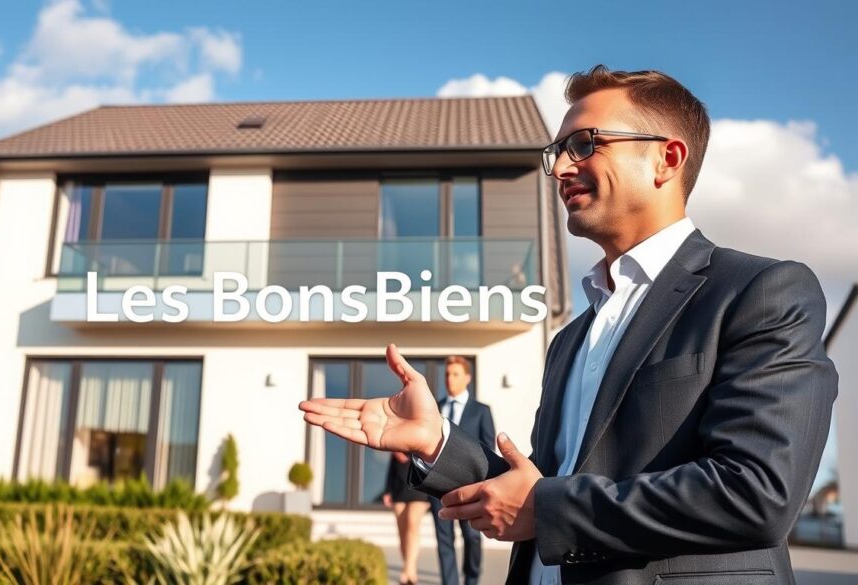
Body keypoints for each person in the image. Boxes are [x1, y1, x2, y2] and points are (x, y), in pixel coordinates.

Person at [300, 65, 838, 585]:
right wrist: (438, 441)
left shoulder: (760, 292)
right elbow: (537, 488)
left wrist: (548, 507)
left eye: (584, 144)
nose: (559, 169)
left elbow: (756, 492)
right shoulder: (571, 338)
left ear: (667, 159)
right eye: (556, 153)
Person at [429, 355, 496, 585]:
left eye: (455, 374)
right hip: (437, 486)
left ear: (467, 377)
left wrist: (483, 485)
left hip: (470, 488)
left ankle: (472, 580)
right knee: (444, 540)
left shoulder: (481, 411)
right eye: (447, 374)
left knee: (472, 537)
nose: (450, 379)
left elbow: (488, 449)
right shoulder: (434, 409)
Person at [383, 450, 431, 584]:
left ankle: (408, 569)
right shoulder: (396, 441)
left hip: (419, 489)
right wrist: (387, 490)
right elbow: (391, 467)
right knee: (402, 531)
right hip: (398, 488)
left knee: (412, 524)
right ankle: (410, 568)